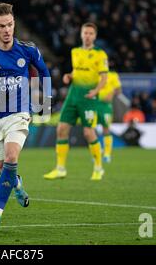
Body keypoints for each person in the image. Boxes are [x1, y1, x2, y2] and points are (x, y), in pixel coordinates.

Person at [0, 3, 51, 230]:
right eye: (2, 26)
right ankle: (17, 185)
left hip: (19, 113)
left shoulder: (28, 50)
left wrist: (47, 100)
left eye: (10, 24)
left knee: (12, 157)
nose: (7, 30)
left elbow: (44, 72)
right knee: (4, 167)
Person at [44, 22, 108, 181]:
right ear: (81, 34)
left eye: (90, 33)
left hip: (89, 95)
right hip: (73, 93)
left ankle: (99, 168)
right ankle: (60, 168)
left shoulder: (101, 54)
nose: (87, 36)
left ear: (95, 36)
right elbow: (78, 71)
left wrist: (96, 91)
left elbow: (104, 77)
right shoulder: (75, 52)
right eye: (85, 33)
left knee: (88, 132)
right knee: (61, 129)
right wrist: (70, 76)